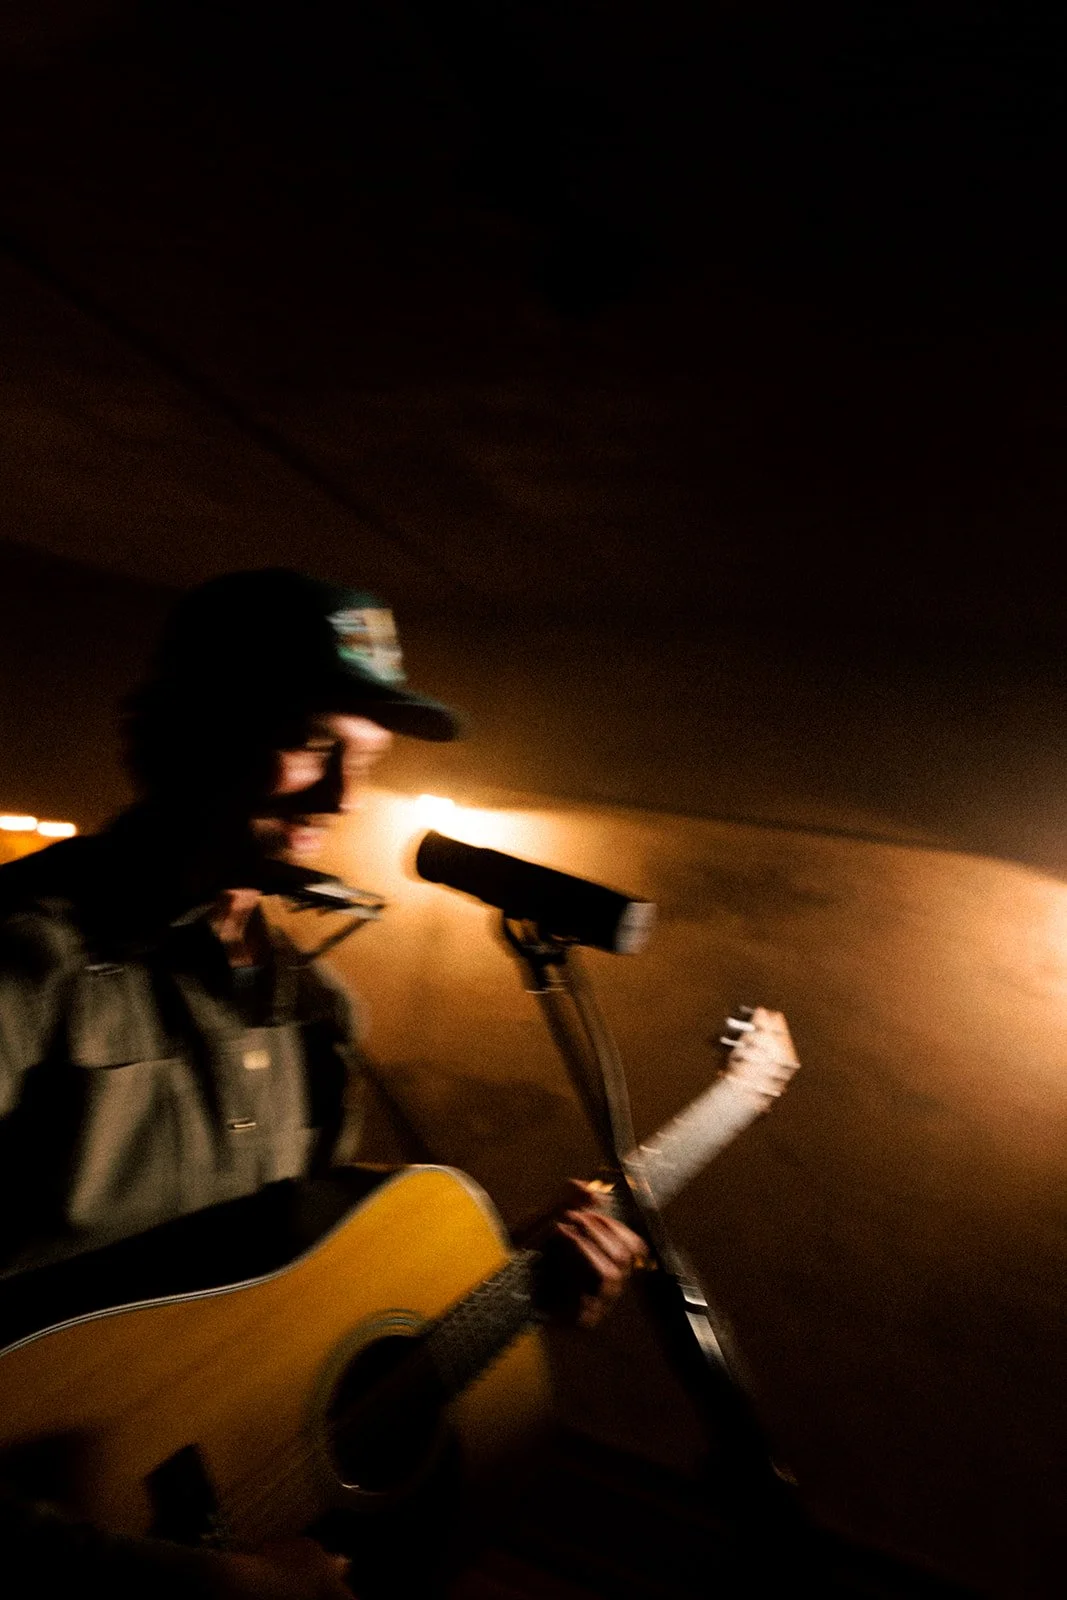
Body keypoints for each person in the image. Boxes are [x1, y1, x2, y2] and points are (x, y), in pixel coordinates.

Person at [0, 569, 645, 1598]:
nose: (340, 797)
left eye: (367, 760)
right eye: (309, 742)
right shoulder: (27, 962)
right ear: (183, 732)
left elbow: (283, 1321)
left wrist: (508, 1290)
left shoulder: (316, 1014)